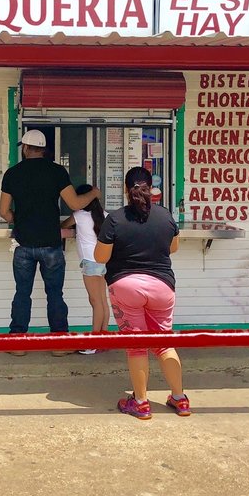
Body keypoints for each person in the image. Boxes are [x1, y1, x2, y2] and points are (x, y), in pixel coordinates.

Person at [94, 166, 186, 420]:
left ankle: (141, 403)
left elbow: (100, 257)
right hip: (162, 287)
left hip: (126, 287)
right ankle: (180, 399)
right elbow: (173, 248)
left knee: (137, 346)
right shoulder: (165, 216)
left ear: (125, 190)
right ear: (151, 189)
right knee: (164, 343)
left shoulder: (115, 219)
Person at [0, 130, 100, 356]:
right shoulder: (57, 171)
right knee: (55, 294)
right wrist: (94, 193)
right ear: (43, 150)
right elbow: (75, 203)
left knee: (22, 293)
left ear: (25, 148)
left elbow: (4, 212)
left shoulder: (12, 173)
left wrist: (19, 219)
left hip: (23, 244)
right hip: (51, 245)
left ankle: (17, 344)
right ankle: (59, 345)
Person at [61, 184, 110, 355]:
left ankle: (93, 342)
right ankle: (104, 339)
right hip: (104, 261)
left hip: (90, 262)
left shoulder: (79, 215)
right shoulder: (105, 215)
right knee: (102, 301)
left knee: (95, 302)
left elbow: (63, 225)